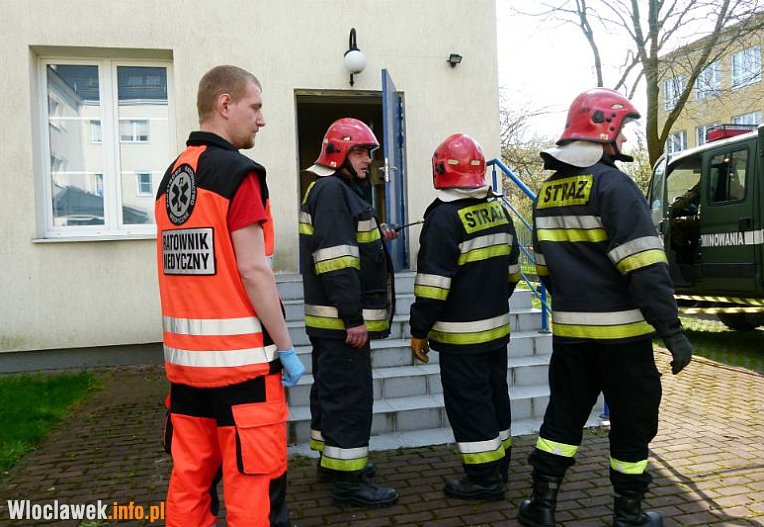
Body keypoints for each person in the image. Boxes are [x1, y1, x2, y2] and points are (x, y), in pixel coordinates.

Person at [518, 88, 693, 527]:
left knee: (562, 419)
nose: (626, 140)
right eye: (623, 131)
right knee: (632, 422)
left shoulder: (547, 193)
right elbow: (645, 267)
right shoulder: (614, 186)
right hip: (623, 339)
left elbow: (544, 269)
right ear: (603, 131)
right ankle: (628, 513)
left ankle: (541, 506)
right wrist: (671, 331)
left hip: (571, 336)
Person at [155, 65, 304, 527]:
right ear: (225, 105)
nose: (261, 119)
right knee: (253, 493)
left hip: (186, 375)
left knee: (189, 487)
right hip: (243, 375)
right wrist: (286, 347)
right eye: (255, 107)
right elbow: (254, 271)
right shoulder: (239, 174)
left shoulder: (172, 178)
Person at [409, 133, 520, 501]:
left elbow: (432, 289)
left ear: (440, 171)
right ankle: (500, 465)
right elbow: (513, 273)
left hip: (460, 338)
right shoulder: (499, 211)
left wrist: (419, 330)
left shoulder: (443, 218)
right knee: (495, 395)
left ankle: (484, 478)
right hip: (496, 330)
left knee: (469, 404)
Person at [299, 117, 399, 508]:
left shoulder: (337, 191)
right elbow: (336, 261)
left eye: (368, 153)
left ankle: (334, 462)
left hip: (333, 324)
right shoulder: (332, 191)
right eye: (360, 152)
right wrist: (353, 319)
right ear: (338, 152)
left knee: (332, 395)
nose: (367, 160)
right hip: (342, 325)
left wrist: (378, 234)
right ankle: (349, 482)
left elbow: (351, 242)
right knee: (348, 401)